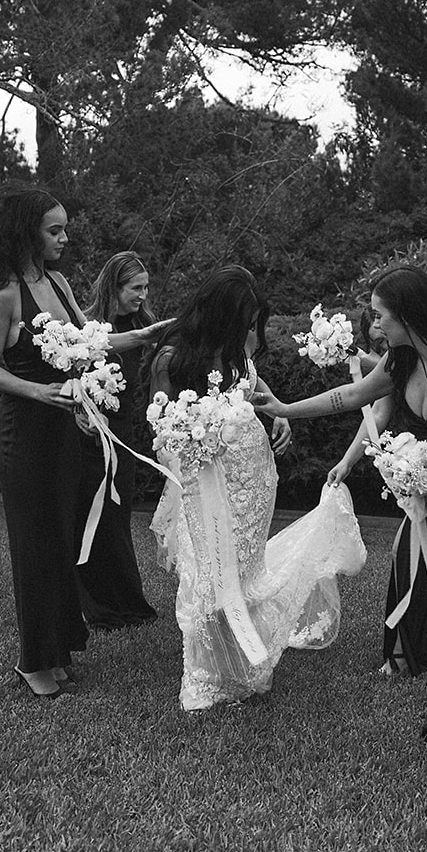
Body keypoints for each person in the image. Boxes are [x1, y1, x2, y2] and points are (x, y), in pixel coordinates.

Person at [263, 266, 427, 756]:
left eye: (382, 315)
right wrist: (282, 408)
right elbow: (346, 397)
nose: (376, 326)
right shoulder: (400, 362)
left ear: (408, 315)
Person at [150, 266, 366, 713]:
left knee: (244, 567)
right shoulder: (171, 358)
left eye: (253, 324)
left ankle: (237, 661)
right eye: (245, 322)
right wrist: (189, 461)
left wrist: (279, 413)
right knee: (208, 570)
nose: (251, 332)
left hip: (254, 473)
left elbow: (250, 378)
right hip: (203, 479)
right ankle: (207, 674)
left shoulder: (238, 345)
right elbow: (159, 426)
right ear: (218, 314)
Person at [0, 187, 90, 699]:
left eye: (64, 228)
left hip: (64, 429)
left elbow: (93, 343)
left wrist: (150, 333)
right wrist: (39, 391)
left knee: (60, 541)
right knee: (33, 544)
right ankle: (33, 663)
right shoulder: (1, 295)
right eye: (54, 230)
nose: (64, 238)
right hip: (22, 431)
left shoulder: (60, 283)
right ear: (26, 232)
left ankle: (58, 651)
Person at [74, 253, 170, 628]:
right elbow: (66, 374)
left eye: (146, 287)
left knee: (117, 519)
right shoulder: (86, 329)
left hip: (122, 435)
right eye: (136, 287)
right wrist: (76, 413)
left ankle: (126, 602)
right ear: (114, 287)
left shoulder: (144, 327)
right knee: (89, 518)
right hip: (86, 437)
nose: (143, 295)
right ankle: (96, 606)